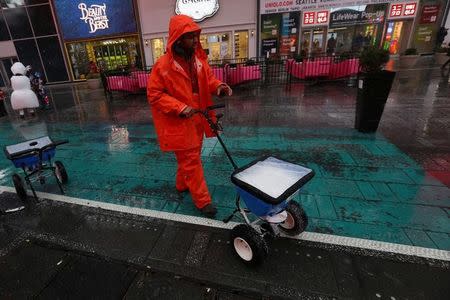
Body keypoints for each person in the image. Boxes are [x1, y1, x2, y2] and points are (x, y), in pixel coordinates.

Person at [147, 15, 232, 218]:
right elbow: (154, 95)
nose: (195, 40)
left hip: (198, 118)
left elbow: (209, 80)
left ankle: (181, 184)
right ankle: (203, 201)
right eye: (189, 36)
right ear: (177, 38)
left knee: (189, 157)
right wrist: (179, 107)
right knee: (191, 160)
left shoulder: (199, 60)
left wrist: (219, 87)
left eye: (195, 35)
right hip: (178, 121)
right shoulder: (163, 66)